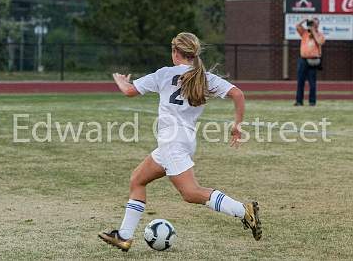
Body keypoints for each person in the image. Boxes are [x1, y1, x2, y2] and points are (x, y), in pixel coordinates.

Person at [98, 32, 262, 252]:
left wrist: (121, 81)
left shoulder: (165, 74)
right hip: (180, 141)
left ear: (175, 52)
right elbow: (238, 94)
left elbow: (129, 91)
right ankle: (124, 236)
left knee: (191, 193)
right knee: (137, 179)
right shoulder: (203, 76)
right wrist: (237, 126)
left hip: (172, 143)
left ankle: (244, 210)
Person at [294, 17, 325, 106]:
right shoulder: (304, 33)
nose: (313, 25)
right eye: (312, 23)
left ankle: (312, 102)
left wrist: (313, 31)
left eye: (315, 24)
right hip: (303, 60)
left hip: (313, 60)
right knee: (300, 82)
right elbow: (297, 26)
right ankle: (299, 101)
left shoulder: (320, 35)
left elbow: (319, 42)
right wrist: (305, 19)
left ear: (318, 25)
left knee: (312, 82)